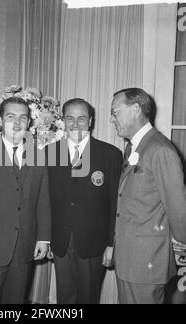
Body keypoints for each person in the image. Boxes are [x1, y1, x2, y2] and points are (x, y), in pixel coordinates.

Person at [111, 87, 186, 304]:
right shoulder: (135, 148)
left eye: (115, 112)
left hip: (146, 261)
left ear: (135, 109)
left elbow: (178, 209)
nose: (111, 119)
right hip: (131, 258)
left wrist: (181, 246)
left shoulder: (159, 149)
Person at [0, 96, 51, 304]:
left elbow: (43, 200)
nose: (17, 124)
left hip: (24, 248)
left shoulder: (39, 157)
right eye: (10, 117)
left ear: (29, 122)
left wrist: (43, 237)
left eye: (23, 118)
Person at [48, 98, 122, 304]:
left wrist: (111, 243)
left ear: (90, 121)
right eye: (70, 118)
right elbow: (44, 202)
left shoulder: (110, 155)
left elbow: (115, 204)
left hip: (94, 242)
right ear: (62, 121)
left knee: (88, 298)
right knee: (64, 297)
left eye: (81, 118)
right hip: (60, 240)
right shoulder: (49, 153)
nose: (75, 124)